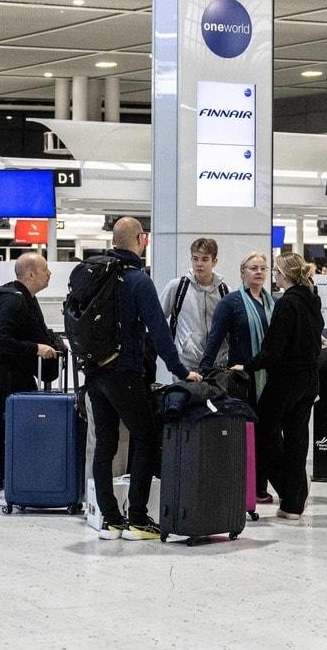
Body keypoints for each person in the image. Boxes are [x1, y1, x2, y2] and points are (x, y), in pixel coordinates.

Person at [88, 217, 200, 541]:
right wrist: (181, 371)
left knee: (106, 443)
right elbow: (160, 331)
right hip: (124, 371)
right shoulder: (138, 280)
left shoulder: (96, 275)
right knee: (146, 436)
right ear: (140, 239)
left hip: (95, 372)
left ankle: (110, 519)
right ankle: (137, 517)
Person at [232, 252, 324, 520]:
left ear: (283, 275)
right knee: (297, 439)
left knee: (263, 431)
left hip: (286, 380)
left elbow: (273, 349)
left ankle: (288, 490)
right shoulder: (312, 301)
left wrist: (247, 366)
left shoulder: (287, 304)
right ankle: (294, 503)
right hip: (309, 380)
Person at [199, 251, 274, 502]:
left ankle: (260, 486)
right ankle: (245, 485)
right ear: (243, 271)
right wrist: (203, 373)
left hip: (269, 378)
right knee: (246, 433)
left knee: (267, 433)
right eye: (254, 268)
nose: (259, 272)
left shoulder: (272, 302)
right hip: (242, 379)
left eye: (263, 268)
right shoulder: (230, 303)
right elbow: (215, 340)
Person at [0, 252, 59, 502]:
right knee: (6, 424)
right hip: (6, 373)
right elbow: (1, 339)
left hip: (17, 372)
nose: (49, 274)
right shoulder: (14, 301)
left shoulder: (26, 298)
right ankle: (2, 484)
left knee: (15, 424)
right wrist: (36, 349)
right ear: (30, 273)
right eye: (45, 269)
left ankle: (16, 478)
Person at [160, 238, 229, 373]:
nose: (199, 264)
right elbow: (158, 320)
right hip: (186, 364)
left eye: (204, 259)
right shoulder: (178, 287)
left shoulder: (225, 291)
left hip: (217, 366)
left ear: (214, 261)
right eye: (195, 259)